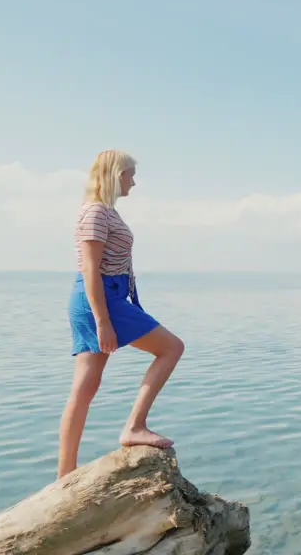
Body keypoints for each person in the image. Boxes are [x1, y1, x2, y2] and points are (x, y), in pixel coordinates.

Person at [57, 149, 185, 479]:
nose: (134, 181)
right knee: (171, 348)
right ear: (116, 175)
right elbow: (89, 269)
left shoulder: (105, 211)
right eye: (130, 174)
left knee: (85, 388)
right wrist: (103, 321)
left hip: (107, 296)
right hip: (98, 298)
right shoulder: (96, 213)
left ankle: (64, 475)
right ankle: (134, 427)